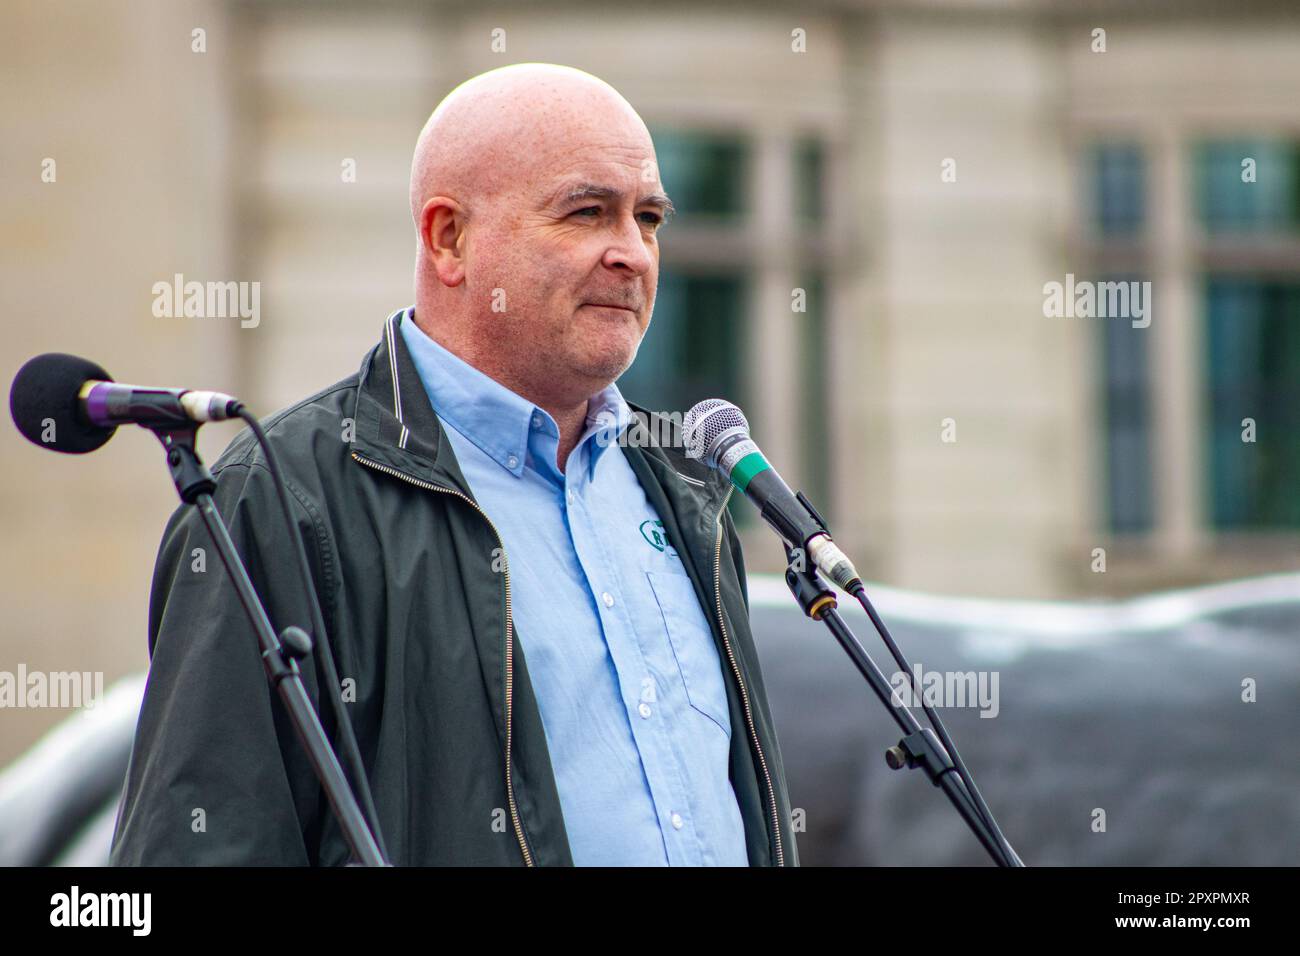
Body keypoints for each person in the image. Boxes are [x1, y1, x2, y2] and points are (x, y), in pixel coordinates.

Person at [110, 63, 798, 866]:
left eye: (648, 219)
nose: (634, 255)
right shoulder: (282, 501)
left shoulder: (685, 486)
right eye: (587, 213)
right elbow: (198, 846)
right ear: (449, 238)